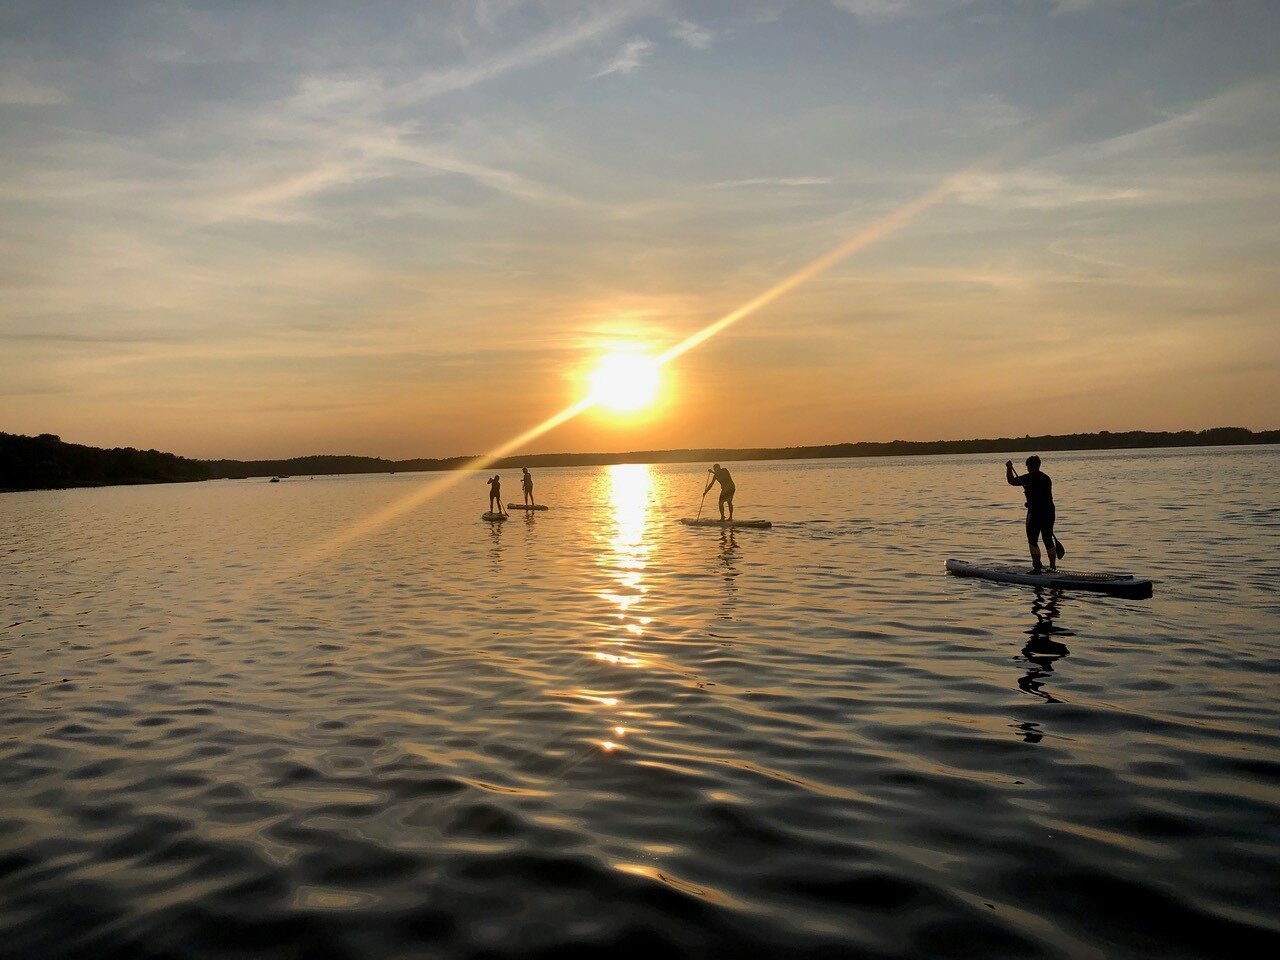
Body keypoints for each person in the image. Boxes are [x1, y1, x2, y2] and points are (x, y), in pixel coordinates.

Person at [1006, 456, 1056, 573]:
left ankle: (1037, 567)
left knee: (1033, 540)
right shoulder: (1046, 478)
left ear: (1028, 466)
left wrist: (1009, 468)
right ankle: (1052, 567)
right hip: (1049, 512)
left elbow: (1011, 481)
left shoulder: (1028, 478)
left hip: (1035, 513)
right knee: (1047, 538)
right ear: (1038, 465)